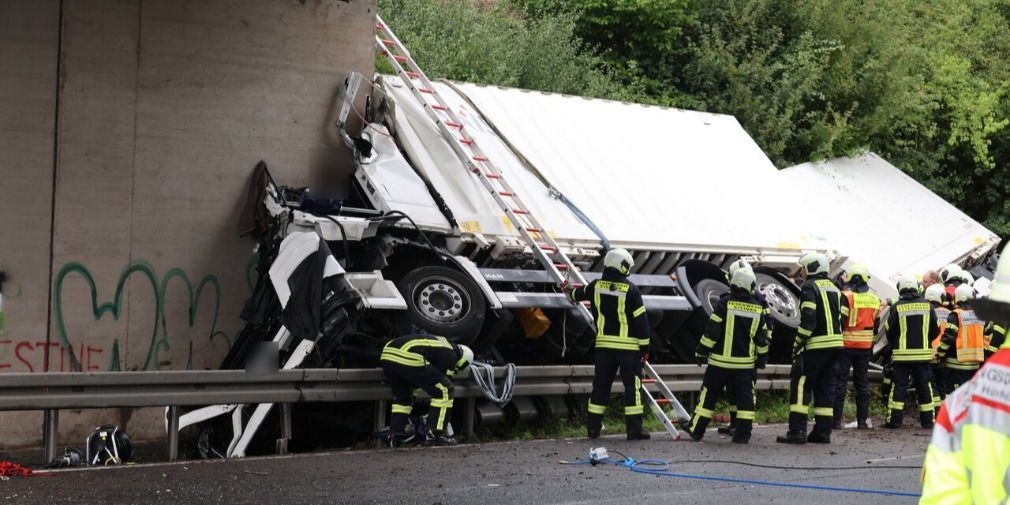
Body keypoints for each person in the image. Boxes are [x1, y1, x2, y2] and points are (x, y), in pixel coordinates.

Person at [920, 243, 1010, 504]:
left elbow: (941, 495)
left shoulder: (961, 406)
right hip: (974, 362)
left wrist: (936, 356)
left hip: (961, 367)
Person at [568, 248, 652, 440]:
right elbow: (642, 323)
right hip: (629, 349)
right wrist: (645, 347)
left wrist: (568, 290)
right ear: (622, 266)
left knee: (600, 386)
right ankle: (634, 430)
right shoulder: (631, 290)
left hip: (604, 347)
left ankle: (593, 429)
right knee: (632, 388)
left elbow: (576, 294)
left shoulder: (596, 286)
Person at [684, 267, 770, 443]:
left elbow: (711, 332)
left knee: (708, 396)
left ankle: (696, 429)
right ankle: (743, 435)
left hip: (719, 364)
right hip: (745, 366)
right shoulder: (757, 309)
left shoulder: (724, 304)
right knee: (745, 401)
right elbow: (762, 339)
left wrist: (701, 352)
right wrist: (762, 359)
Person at [778, 252, 843, 445]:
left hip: (816, 346)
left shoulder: (809, 287)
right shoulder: (834, 288)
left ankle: (797, 431)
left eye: (804, 268)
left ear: (811, 268)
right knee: (826, 388)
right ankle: (823, 432)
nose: (802, 272)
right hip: (836, 346)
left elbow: (808, 319)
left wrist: (798, 343)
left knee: (800, 386)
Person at [380, 334, 474, 447]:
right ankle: (436, 433)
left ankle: (396, 434)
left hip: (387, 355)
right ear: (463, 361)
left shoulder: (442, 345)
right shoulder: (451, 354)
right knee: (445, 390)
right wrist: (435, 416)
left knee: (404, 398)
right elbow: (444, 383)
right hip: (408, 354)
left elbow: (423, 379)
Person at [716, 259, 769, 437]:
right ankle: (735, 424)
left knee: (745, 393)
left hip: (748, 356)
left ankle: (744, 426)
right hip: (739, 354)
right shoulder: (750, 298)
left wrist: (761, 353)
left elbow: (766, 329)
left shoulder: (758, 301)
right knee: (733, 392)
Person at [880, 274, 938, 429]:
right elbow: (935, 330)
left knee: (898, 387)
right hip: (923, 357)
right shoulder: (928, 306)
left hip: (902, 356)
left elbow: (888, 331)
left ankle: (894, 421)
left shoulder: (897, 306)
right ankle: (928, 421)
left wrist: (896, 345)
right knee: (924, 387)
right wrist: (925, 342)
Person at [832, 264, 881, 429]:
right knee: (862, 384)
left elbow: (840, 320)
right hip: (865, 347)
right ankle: (862, 422)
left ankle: (835, 422)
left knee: (840, 383)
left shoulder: (846, 297)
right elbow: (876, 325)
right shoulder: (875, 299)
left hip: (846, 345)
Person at [936, 285, 989, 393]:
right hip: (975, 364)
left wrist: (939, 354)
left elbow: (948, 338)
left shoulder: (956, 315)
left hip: (956, 364)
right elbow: (988, 333)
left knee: (955, 396)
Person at [925, 283, 951, 413]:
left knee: (931, 385)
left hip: (929, 356)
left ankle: (936, 410)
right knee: (942, 385)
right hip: (943, 356)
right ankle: (942, 411)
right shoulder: (950, 313)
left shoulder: (926, 312)